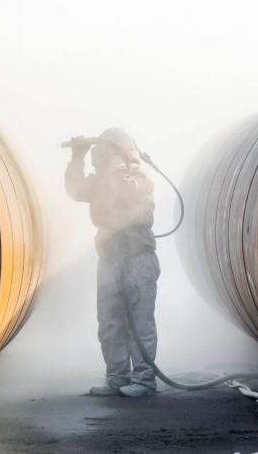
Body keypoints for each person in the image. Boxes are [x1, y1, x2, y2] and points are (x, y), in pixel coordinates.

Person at [64, 128, 160, 397]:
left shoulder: (139, 175)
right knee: (110, 321)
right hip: (109, 257)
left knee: (139, 322)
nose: (101, 160)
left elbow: (126, 190)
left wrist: (119, 163)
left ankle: (144, 380)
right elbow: (74, 190)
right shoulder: (100, 181)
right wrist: (77, 157)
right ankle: (117, 377)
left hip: (137, 256)